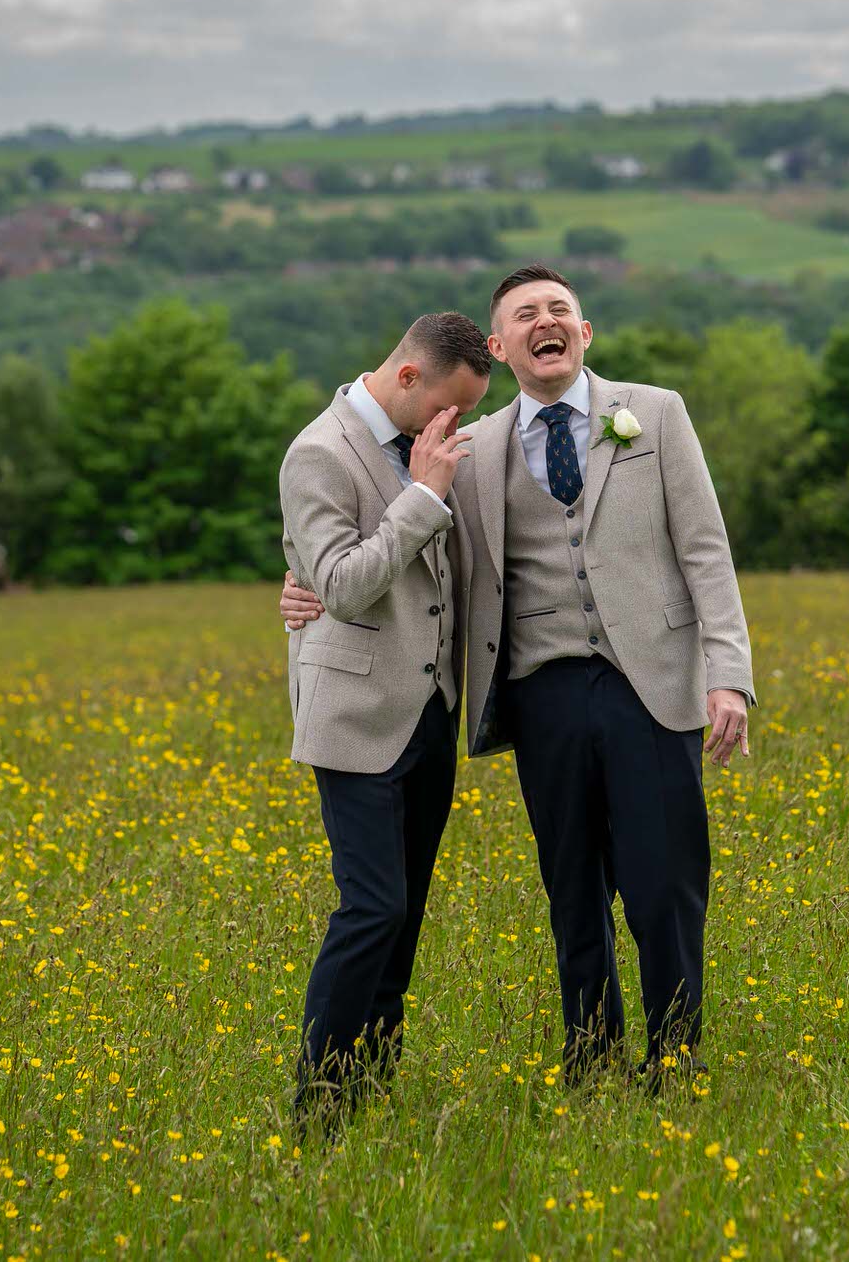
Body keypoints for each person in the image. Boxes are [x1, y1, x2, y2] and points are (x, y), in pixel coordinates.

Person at [284, 264, 753, 1088]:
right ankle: (591, 1056)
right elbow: (393, 546)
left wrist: (729, 676)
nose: (548, 321)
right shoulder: (470, 448)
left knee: (664, 883)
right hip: (540, 694)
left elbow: (707, 553)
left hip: (656, 682)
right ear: (502, 348)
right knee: (572, 890)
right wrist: (299, 586)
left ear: (585, 331)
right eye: (527, 313)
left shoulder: (659, 414)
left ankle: (675, 1058)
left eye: (561, 309)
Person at [280, 311, 493, 1125]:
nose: (457, 424)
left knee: (405, 916)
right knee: (371, 907)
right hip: (356, 713)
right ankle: (316, 1105)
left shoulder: (422, 443)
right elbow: (340, 584)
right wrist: (423, 494)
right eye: (451, 405)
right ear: (409, 377)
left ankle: (371, 1086)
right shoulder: (319, 452)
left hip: (430, 713)